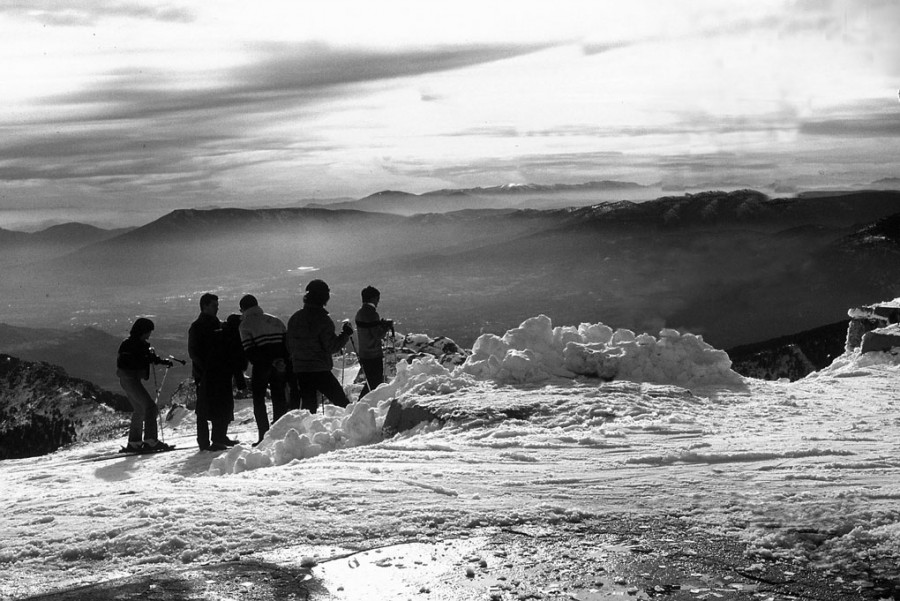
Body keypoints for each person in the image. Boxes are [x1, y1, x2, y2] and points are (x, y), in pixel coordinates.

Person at [286, 279, 353, 413]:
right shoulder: (323, 320)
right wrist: (345, 334)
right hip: (319, 369)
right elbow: (332, 347)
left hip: (301, 369)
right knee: (342, 402)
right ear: (324, 297)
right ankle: (357, 426)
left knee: (308, 408)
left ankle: (307, 431)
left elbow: (289, 345)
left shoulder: (295, 318)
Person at [188, 293, 240, 451]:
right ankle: (205, 441)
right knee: (205, 408)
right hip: (208, 373)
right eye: (214, 306)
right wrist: (205, 370)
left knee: (221, 405)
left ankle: (219, 437)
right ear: (205, 306)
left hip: (218, 372)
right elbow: (194, 352)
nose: (217, 308)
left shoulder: (216, 324)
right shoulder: (198, 327)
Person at [116, 318, 175, 453]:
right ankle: (150, 440)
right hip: (131, 379)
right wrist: (156, 360)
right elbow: (142, 359)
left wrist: (155, 359)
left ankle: (134, 442)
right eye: (148, 332)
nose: (149, 335)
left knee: (139, 409)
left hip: (125, 379)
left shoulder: (128, 344)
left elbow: (141, 358)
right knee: (150, 407)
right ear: (143, 331)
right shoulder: (138, 345)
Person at [238, 294, 290, 444]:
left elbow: (250, 352)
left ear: (243, 309)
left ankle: (263, 436)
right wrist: (280, 361)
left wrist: (267, 362)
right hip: (280, 364)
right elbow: (286, 346)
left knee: (259, 401)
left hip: (262, 367)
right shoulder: (276, 321)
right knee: (279, 397)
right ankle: (279, 432)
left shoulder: (245, 325)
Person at [354, 285, 393, 400]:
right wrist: (385, 327)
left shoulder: (360, 313)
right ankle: (362, 403)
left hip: (364, 352)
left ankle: (362, 403)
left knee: (371, 380)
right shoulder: (372, 314)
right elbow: (378, 335)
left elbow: (368, 329)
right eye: (377, 298)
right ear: (373, 298)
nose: (378, 301)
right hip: (373, 353)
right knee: (375, 382)